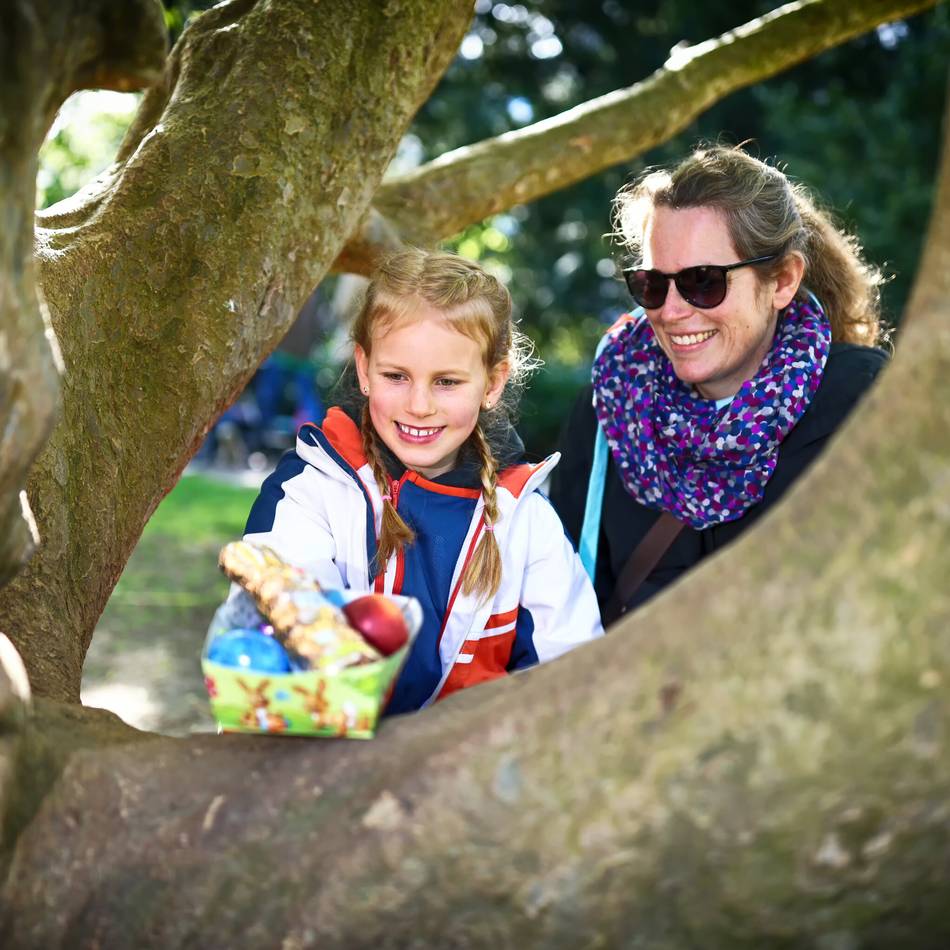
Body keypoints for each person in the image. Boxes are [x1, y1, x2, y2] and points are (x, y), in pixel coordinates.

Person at [241, 248, 603, 714]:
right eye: (397, 376)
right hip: (329, 767)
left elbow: (571, 676)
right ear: (364, 368)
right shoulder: (313, 489)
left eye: (447, 382)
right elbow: (280, 640)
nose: (419, 405)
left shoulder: (525, 519)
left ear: (492, 384)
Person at [550, 145, 889, 623]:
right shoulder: (610, 410)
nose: (670, 311)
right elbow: (563, 610)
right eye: (652, 284)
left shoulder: (861, 402)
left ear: (784, 280)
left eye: (703, 281)